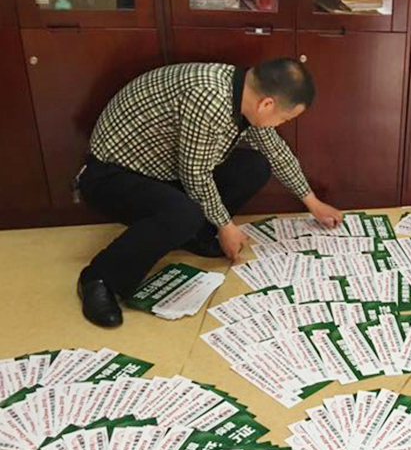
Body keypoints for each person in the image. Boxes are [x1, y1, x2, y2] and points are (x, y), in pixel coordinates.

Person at [76, 58, 342, 328]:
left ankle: (196, 235)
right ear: (267, 104)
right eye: (284, 118)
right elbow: (195, 175)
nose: (280, 124)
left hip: (165, 172)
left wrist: (312, 202)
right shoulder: (209, 98)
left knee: (255, 166)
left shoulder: (244, 93)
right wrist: (225, 226)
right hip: (111, 177)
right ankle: (100, 279)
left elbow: (275, 152)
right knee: (184, 214)